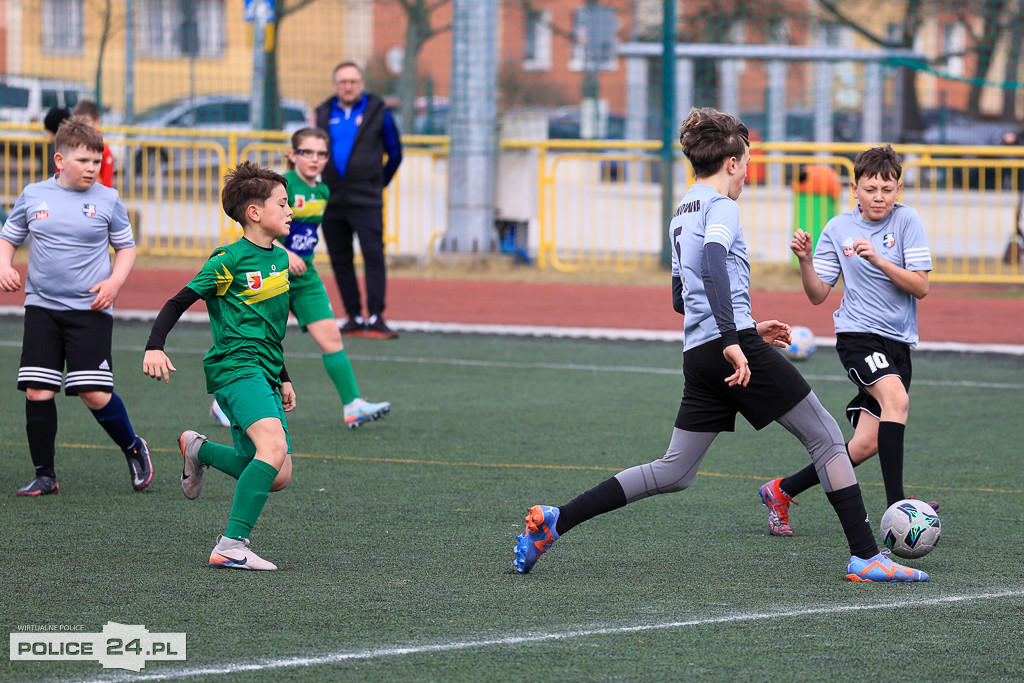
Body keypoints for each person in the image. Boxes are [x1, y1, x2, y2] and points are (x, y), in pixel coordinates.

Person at [512, 108, 929, 583]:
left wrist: (742, 323)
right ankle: (866, 556)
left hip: (699, 354)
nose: (749, 172)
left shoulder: (680, 211)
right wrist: (736, 337)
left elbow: (679, 298)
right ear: (732, 162)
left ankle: (555, 520)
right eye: (748, 161)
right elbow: (712, 262)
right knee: (829, 439)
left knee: (674, 471)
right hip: (732, 349)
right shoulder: (722, 206)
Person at [759, 145, 935, 536]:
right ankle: (899, 512)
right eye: (871, 189)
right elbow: (818, 294)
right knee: (897, 400)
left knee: (865, 444)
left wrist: (879, 260)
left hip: (898, 343)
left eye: (887, 189)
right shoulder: (838, 228)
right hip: (858, 338)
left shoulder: (907, 221)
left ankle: (781, 490)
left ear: (898, 189)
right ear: (854, 188)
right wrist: (805, 260)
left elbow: (921, 287)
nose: (879, 197)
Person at [143, 162, 295, 571]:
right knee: (274, 448)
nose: (290, 209)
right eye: (282, 202)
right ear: (255, 212)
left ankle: (200, 449)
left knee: (278, 474)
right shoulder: (227, 260)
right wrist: (154, 346)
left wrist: (283, 376)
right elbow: (178, 301)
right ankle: (231, 545)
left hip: (264, 369)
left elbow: (269, 327)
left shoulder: (279, 260)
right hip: (236, 368)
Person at [0, 116, 151, 496]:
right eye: (83, 160)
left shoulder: (108, 199)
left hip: (91, 311)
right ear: (59, 160)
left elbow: (127, 248)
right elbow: (9, 237)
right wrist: (4, 266)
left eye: (96, 161)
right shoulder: (34, 194)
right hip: (42, 307)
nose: (91, 168)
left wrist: (115, 283)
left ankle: (134, 448)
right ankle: (45, 475)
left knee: (92, 393)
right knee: (38, 391)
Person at [209, 127, 391, 430]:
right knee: (256, 343)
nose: (315, 159)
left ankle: (353, 406)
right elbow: (258, 228)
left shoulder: (323, 191)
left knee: (331, 335)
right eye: (308, 152)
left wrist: (300, 257)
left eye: (322, 154)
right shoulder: (282, 187)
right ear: (293, 155)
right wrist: (284, 253)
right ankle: (222, 403)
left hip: (305, 276)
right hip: (270, 273)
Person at [315, 61, 403, 339]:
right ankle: (353, 316)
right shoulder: (323, 112)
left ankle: (376, 317)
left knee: (373, 255)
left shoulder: (379, 111)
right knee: (341, 259)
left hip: (366, 199)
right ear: (334, 85)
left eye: (353, 81)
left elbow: (395, 152)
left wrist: (378, 182)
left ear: (361, 84)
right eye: (342, 82)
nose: (348, 86)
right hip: (332, 198)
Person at [73, 100, 115, 188]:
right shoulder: (69, 147)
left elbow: (106, 187)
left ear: (96, 122)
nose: (81, 127)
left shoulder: (104, 151)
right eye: (77, 122)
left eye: (86, 121)